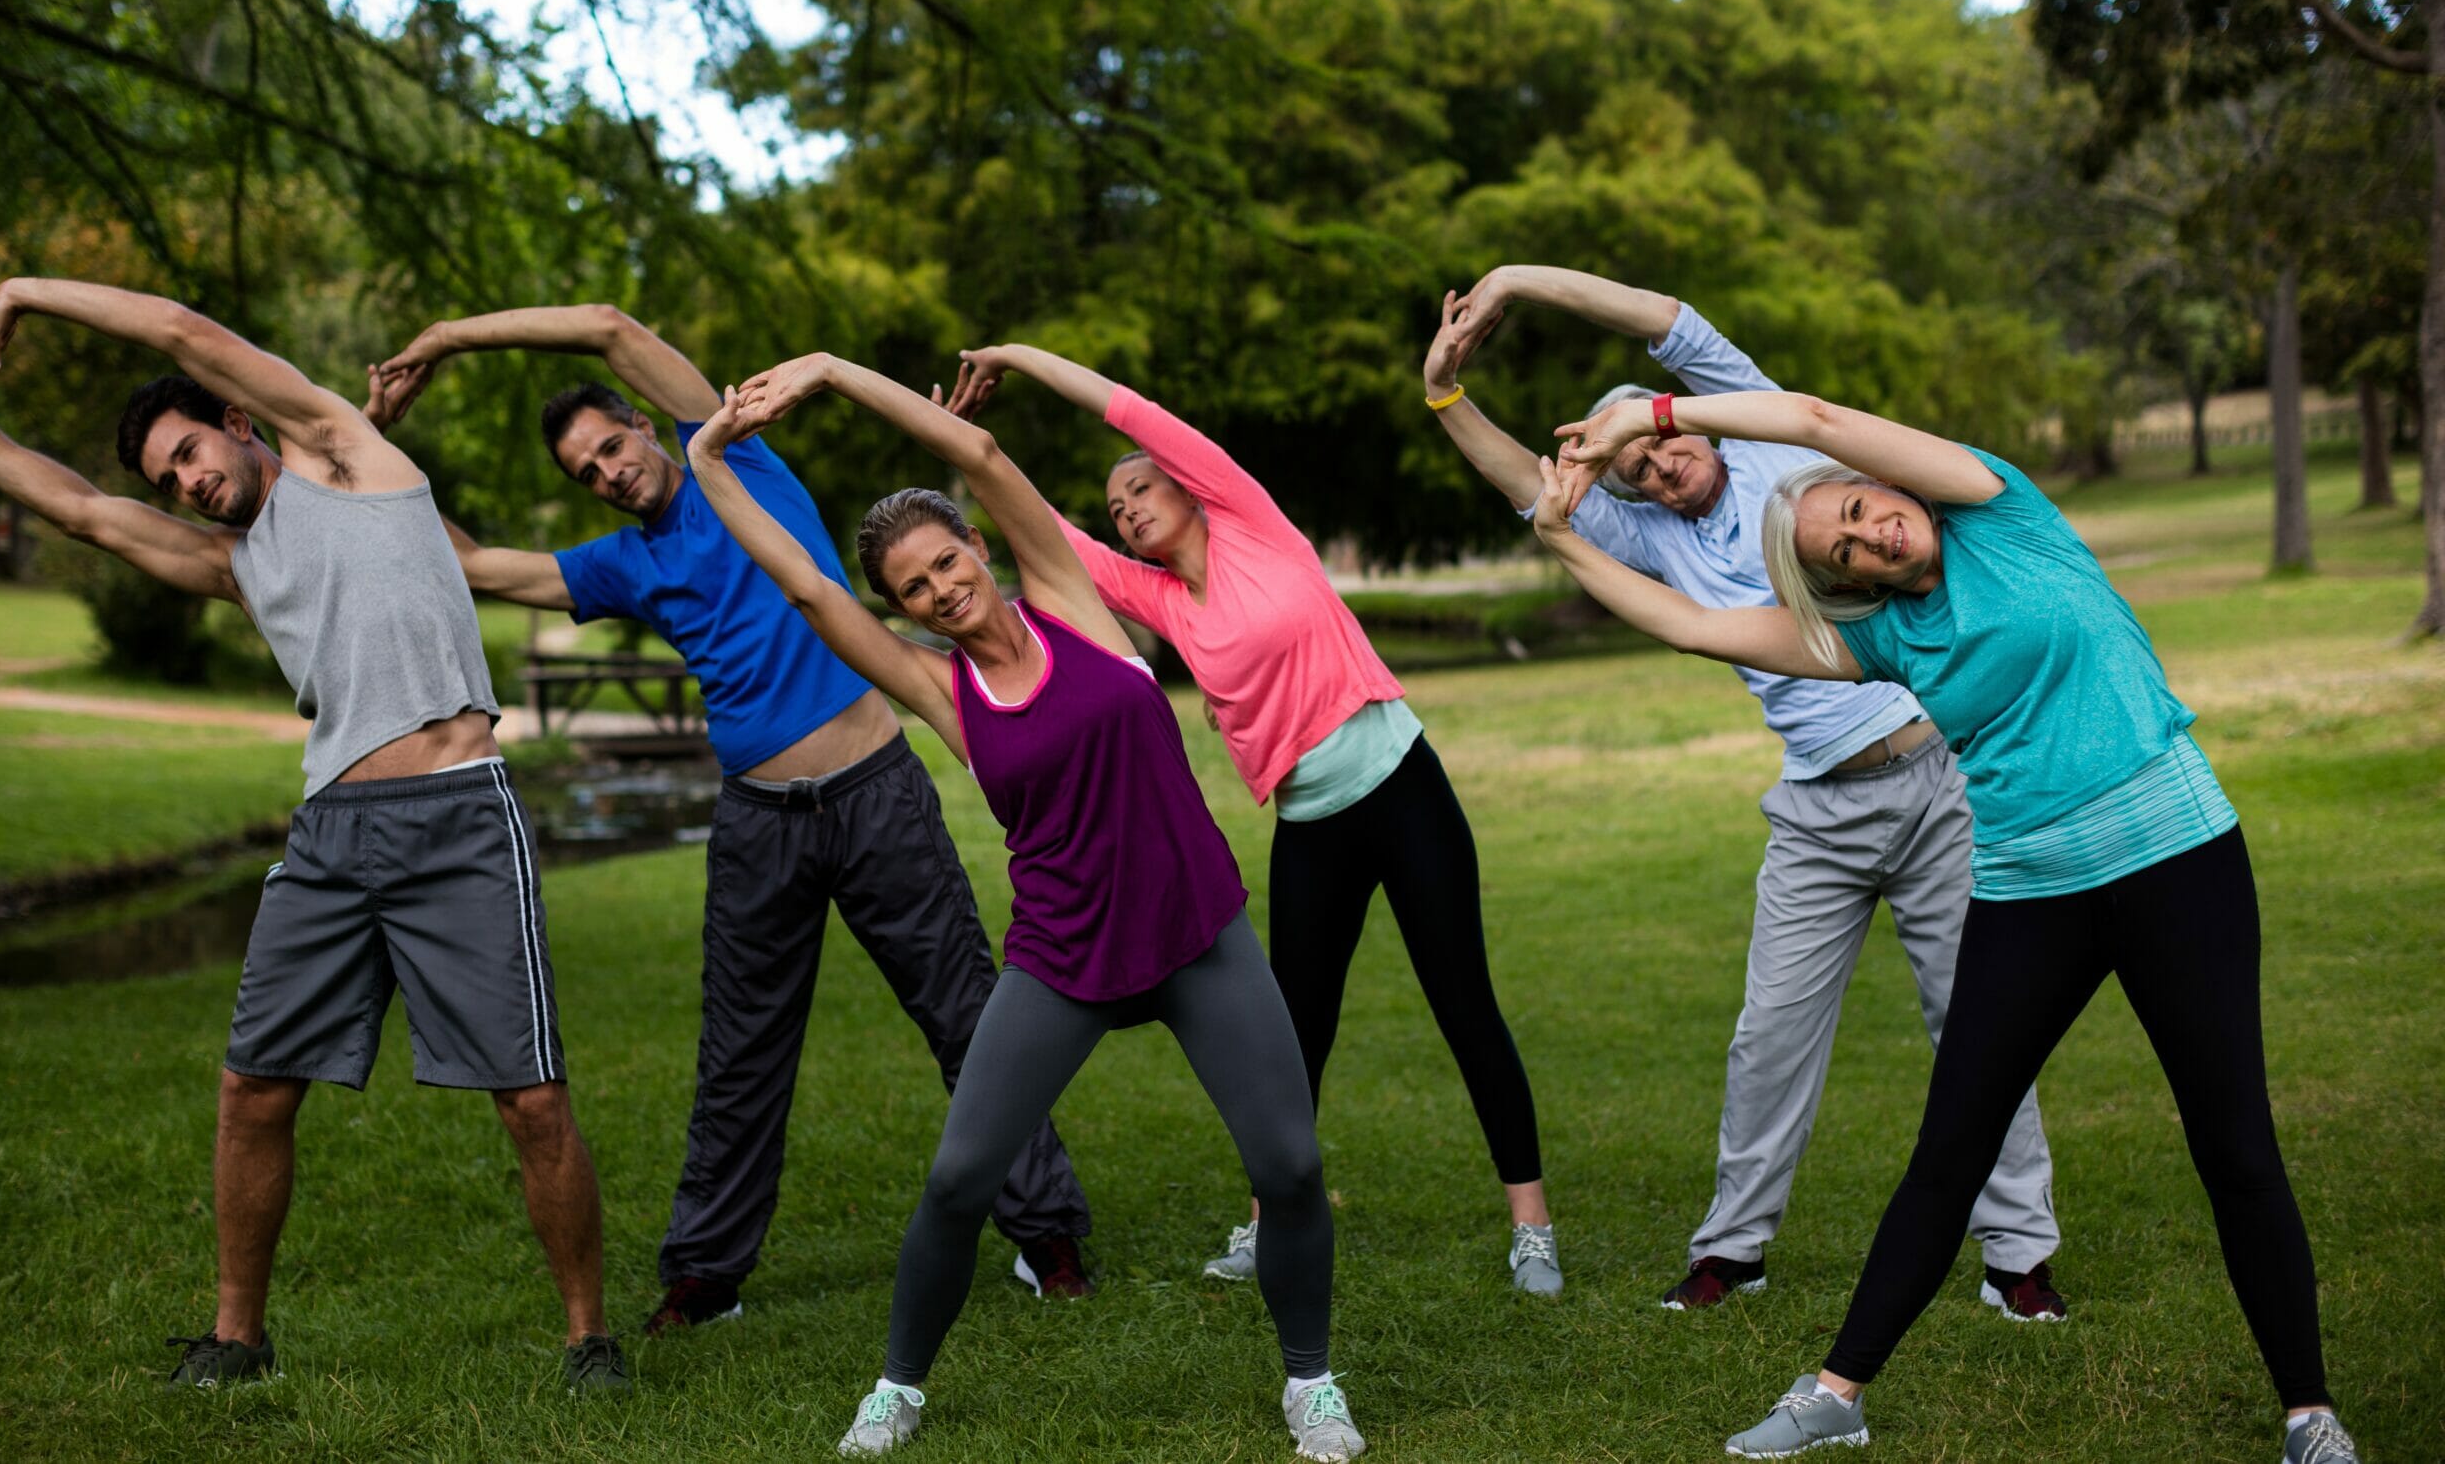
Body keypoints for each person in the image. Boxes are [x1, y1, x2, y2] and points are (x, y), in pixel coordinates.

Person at [1529, 388, 2355, 1464]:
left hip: (2174, 858)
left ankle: (2308, 1417)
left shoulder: (1996, 509)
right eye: (1844, 550)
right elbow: (1689, 623)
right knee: (1947, 1150)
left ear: (1890, 491)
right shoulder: (1880, 643)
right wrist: (1556, 534)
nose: (1872, 535)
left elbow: (1818, 424)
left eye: (1865, 510)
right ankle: (1834, 1397)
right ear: (1841, 584)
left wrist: (1651, 409)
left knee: (2234, 1145)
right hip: (2025, 894)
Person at [0, 280, 625, 1394]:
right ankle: (237, 1340)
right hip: (333, 834)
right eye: (170, 480)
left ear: (238, 422)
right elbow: (79, 512)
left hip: (459, 813)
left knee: (531, 1095)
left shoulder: (343, 455)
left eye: (192, 453)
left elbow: (181, 332)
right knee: (252, 1086)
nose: (189, 484)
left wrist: (21, 295)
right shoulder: (233, 564)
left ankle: (589, 1338)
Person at [674, 352, 1363, 1461]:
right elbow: (803, 585)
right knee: (957, 1181)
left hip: (1194, 930)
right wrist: (706, 455)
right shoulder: (943, 690)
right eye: (914, 589)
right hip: (1061, 956)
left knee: (1287, 1168)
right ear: (902, 609)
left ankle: (1310, 1384)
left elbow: (981, 453)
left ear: (978, 549)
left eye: (948, 562)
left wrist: (833, 374)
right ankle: (898, 1389)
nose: (942, 590)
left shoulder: (1075, 607)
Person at [367, 306, 1094, 1329]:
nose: (609, 472)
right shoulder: (623, 564)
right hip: (760, 821)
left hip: (877, 790)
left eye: (612, 445)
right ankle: (708, 1277)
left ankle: (1046, 1233)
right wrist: (378, 447)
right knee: (741, 1053)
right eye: (587, 472)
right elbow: (478, 566)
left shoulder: (733, 458)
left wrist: (443, 338)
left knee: (967, 1017)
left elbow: (610, 328)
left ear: (642, 423)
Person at [1421, 265, 2066, 1318]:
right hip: (1817, 808)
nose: (1663, 468)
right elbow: (1529, 491)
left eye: (1664, 443)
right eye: (1639, 472)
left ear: (1696, 427)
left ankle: (2018, 1258)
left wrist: (1517, 281)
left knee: (1977, 1022)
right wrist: (1447, 395)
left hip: (1935, 777)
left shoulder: (1772, 439)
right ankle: (1732, 1251)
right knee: (1769, 1033)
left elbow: (1663, 321)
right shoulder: (1651, 536)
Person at [944, 343, 1559, 1296]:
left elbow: (1130, 410)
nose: (1130, 506)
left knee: (1462, 1001)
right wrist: (960, 445)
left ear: (1189, 487)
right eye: (1117, 508)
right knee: (1291, 1030)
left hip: (1402, 786)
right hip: (1312, 823)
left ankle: (1532, 1226)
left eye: (1143, 489)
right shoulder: (1154, 597)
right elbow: (1037, 535)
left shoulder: (1253, 523)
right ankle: (1271, 1222)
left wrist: (1020, 359)